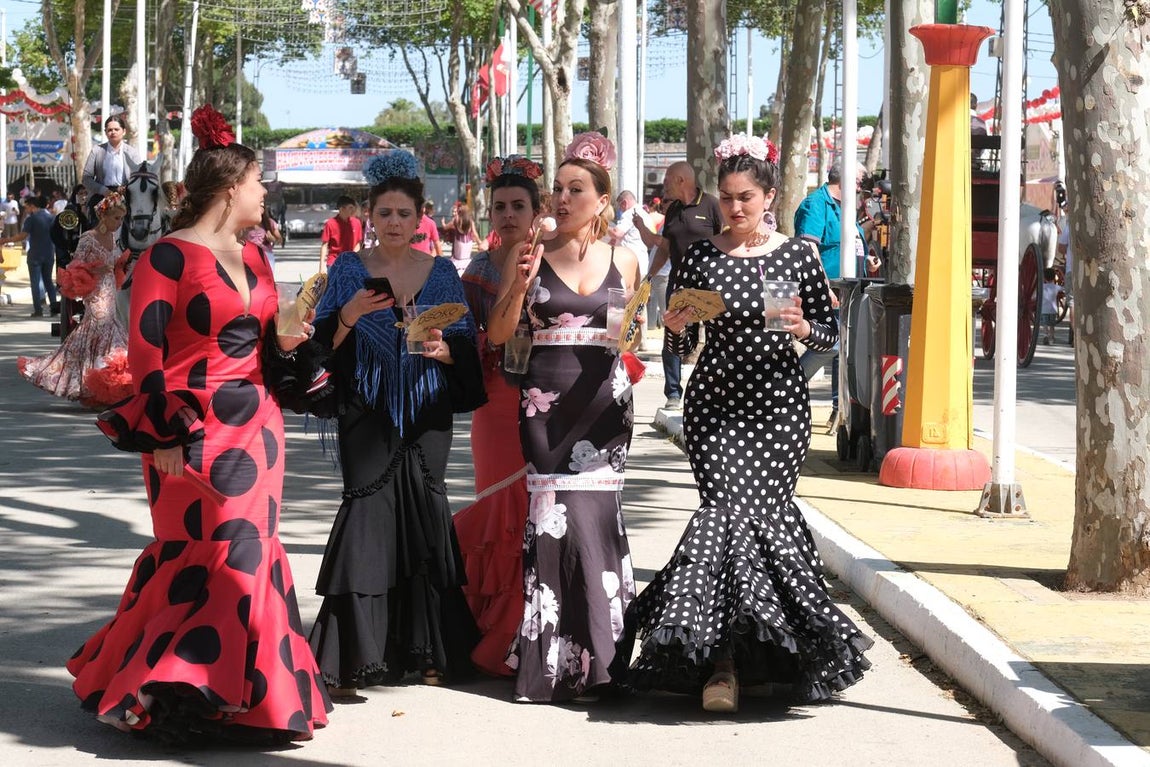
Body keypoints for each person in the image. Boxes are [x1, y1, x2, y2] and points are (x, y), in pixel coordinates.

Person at [69, 104, 331, 744]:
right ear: (230, 187)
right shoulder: (165, 258)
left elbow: (268, 342)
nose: (265, 190)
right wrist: (160, 435)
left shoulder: (258, 259)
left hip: (259, 428)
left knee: (251, 556)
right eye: (258, 181)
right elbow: (147, 352)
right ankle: (179, 693)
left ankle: (243, 699)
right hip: (189, 429)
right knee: (203, 554)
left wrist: (300, 333)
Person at [622, 133, 872, 714]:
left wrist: (805, 332)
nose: (735, 209)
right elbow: (680, 342)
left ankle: (777, 654)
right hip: (715, 410)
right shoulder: (701, 257)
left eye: (746, 198)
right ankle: (722, 664)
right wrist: (679, 323)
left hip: (779, 412)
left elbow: (832, 336)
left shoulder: (799, 255)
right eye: (727, 198)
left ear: (768, 197)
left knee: (761, 524)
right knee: (722, 519)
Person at [307, 150, 485, 695]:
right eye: (383, 213)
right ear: (368, 216)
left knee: (425, 517)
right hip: (366, 409)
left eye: (403, 214)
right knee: (366, 514)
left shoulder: (444, 274)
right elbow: (319, 348)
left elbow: (466, 354)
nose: (393, 223)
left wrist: (442, 352)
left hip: (428, 410)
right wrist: (351, 316)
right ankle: (351, 655)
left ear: (420, 219)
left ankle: (430, 651)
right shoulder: (348, 270)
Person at [488, 132, 642, 704]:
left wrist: (636, 334)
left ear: (602, 200)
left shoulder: (625, 258)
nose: (561, 198)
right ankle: (550, 666)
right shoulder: (526, 256)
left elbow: (632, 331)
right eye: (556, 188)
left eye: (575, 189)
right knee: (553, 519)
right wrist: (521, 283)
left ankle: (606, 663)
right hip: (544, 403)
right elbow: (500, 335)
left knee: (596, 520)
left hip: (605, 404)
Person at [454, 154, 543, 677]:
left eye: (518, 207)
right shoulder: (478, 270)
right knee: (498, 512)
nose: (508, 216)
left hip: (550, 402)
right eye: (499, 207)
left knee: (539, 514)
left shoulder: (555, 259)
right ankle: (492, 631)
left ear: (538, 211)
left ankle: (533, 632)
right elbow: (467, 342)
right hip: (494, 401)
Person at [17, 192, 128, 404]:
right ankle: (92, 381)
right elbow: (75, 266)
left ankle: (100, 384)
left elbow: (114, 266)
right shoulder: (88, 238)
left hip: (110, 292)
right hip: (95, 295)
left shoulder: (114, 238)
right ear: (104, 217)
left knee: (103, 334)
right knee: (103, 332)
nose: (119, 223)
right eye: (116, 218)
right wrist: (97, 270)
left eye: (121, 219)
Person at [636, 161, 723, 409]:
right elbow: (665, 246)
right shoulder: (673, 210)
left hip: (710, 283)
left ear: (681, 180)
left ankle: (713, 393)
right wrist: (650, 276)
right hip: (679, 282)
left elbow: (727, 239)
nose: (664, 187)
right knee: (674, 333)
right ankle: (673, 393)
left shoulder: (712, 205)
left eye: (667, 182)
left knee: (717, 336)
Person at [793, 162, 866, 426]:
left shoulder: (846, 209)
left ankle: (839, 407)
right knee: (832, 345)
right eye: (859, 180)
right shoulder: (816, 204)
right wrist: (823, 286)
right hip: (825, 291)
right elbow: (809, 249)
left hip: (850, 291)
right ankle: (787, 387)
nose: (861, 186)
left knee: (843, 350)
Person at [0, 195, 59, 318]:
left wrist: (6, 240)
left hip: (35, 255)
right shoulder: (52, 218)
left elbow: (22, 236)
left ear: (32, 206)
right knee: (48, 281)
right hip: (49, 254)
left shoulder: (31, 219)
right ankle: (54, 307)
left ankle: (38, 310)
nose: (26, 210)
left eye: (27, 207)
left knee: (35, 282)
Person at [50, 185, 95, 338]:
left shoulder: (95, 211)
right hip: (72, 255)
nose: (83, 196)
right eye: (80, 193)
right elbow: (57, 233)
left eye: (85, 193)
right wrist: (68, 252)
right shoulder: (68, 213)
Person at [81, 115, 142, 216]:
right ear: (105, 132)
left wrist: (126, 188)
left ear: (124, 131)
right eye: (109, 130)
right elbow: (86, 179)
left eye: (116, 129)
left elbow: (139, 178)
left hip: (126, 198)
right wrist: (103, 190)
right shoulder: (97, 151)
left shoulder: (132, 153)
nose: (113, 132)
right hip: (101, 197)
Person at [607, 190, 650, 280]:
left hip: (630, 264)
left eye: (620, 206)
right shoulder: (644, 213)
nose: (620, 210)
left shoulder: (630, 213)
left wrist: (603, 227)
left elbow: (617, 233)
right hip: (642, 262)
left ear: (624, 203)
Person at [319, 195, 362, 267]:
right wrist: (321, 267)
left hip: (351, 263)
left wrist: (353, 258)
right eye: (350, 208)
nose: (353, 210)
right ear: (342, 208)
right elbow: (324, 245)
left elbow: (358, 243)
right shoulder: (330, 223)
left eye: (353, 208)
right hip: (333, 262)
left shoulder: (356, 223)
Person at [442, 204, 484, 276]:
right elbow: (476, 235)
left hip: (457, 260)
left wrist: (443, 222)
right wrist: (480, 243)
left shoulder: (456, 221)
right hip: (467, 262)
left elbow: (445, 227)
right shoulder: (470, 222)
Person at [1056, 213, 1074, 345]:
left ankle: (1075, 334)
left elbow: (1061, 247)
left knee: (1073, 302)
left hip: (1072, 269)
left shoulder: (1070, 226)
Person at [1041, 268, 1060, 345]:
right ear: (1054, 277)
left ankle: (1045, 335)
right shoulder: (1056, 287)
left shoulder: (1042, 286)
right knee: (1052, 325)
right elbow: (1064, 290)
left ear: (1044, 278)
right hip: (1053, 309)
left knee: (1045, 324)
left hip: (1044, 309)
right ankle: (1051, 338)